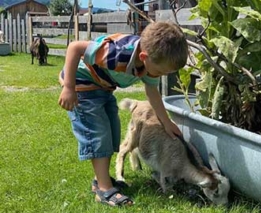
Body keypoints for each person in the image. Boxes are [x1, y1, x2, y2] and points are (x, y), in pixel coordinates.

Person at [58, 21, 188, 207]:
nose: (160, 75)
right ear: (144, 56)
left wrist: (166, 122)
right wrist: (69, 87)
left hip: (103, 88)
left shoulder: (149, 60)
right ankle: (104, 190)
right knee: (98, 134)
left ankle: (101, 180)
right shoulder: (117, 53)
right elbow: (75, 47)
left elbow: (152, 92)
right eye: (160, 71)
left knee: (111, 131)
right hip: (81, 87)